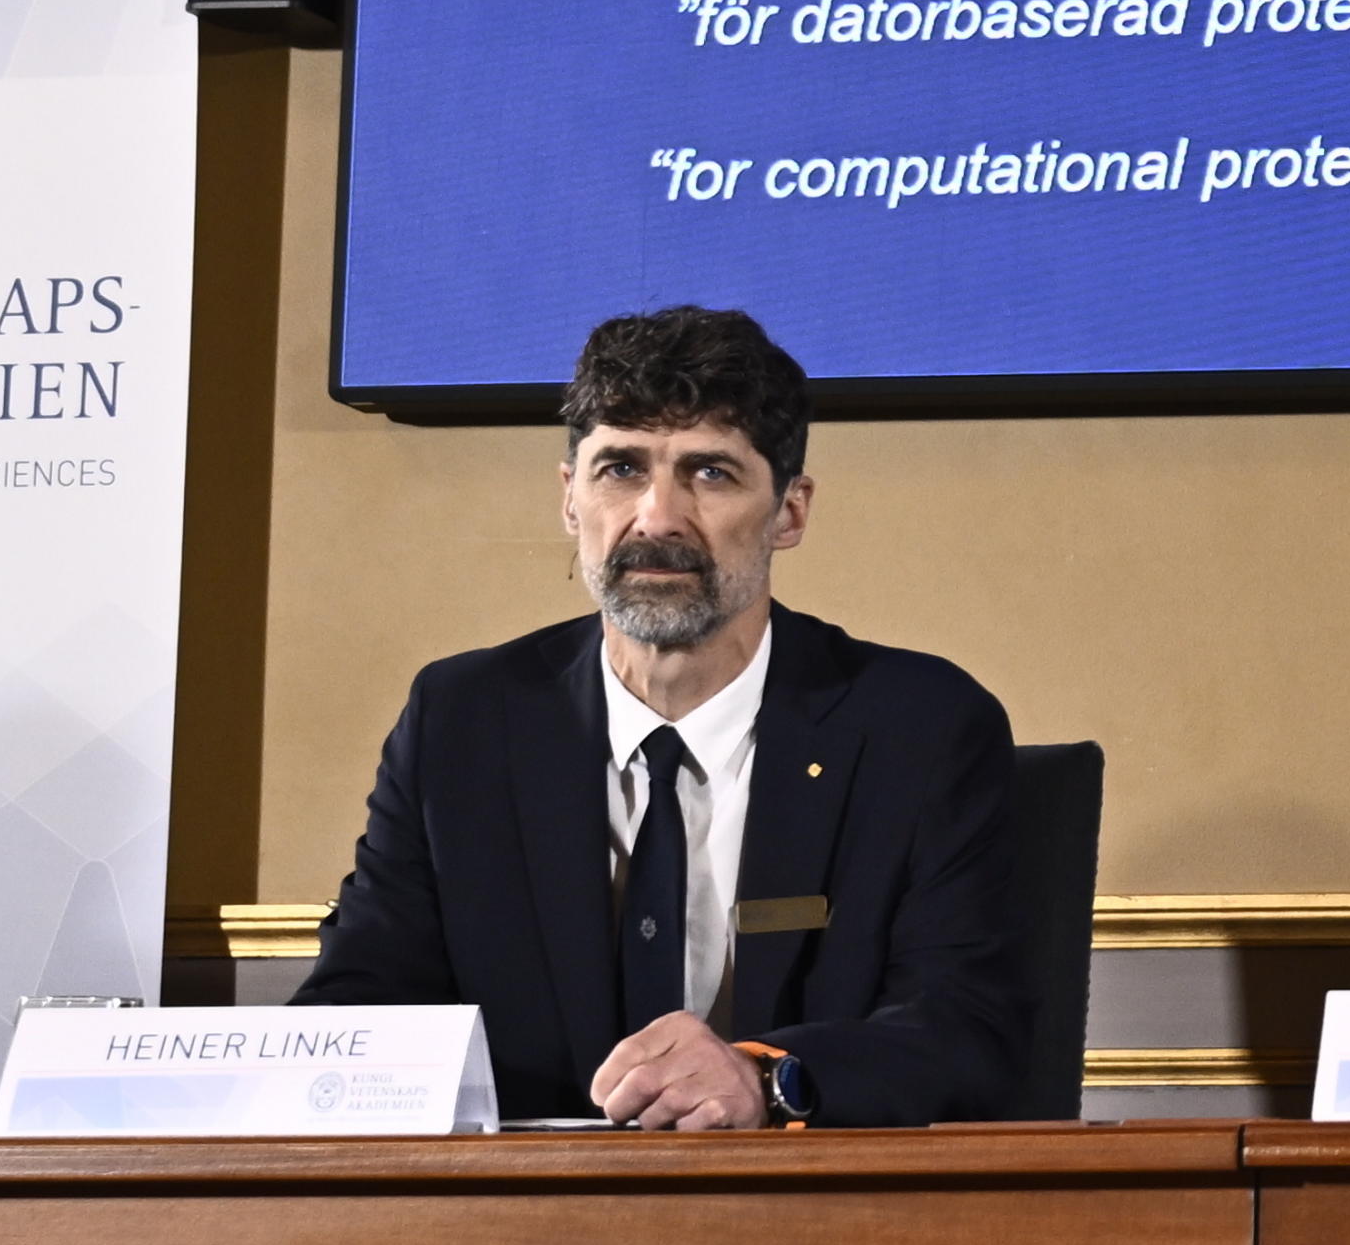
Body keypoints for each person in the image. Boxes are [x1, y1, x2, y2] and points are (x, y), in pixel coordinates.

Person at [295, 305, 1032, 1126]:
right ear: (570, 500)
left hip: (811, 1219)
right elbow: (360, 1006)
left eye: (711, 473)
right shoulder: (463, 723)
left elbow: (969, 1030)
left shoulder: (920, 728)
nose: (657, 518)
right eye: (620, 470)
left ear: (790, 511)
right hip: (519, 1226)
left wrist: (764, 1079)